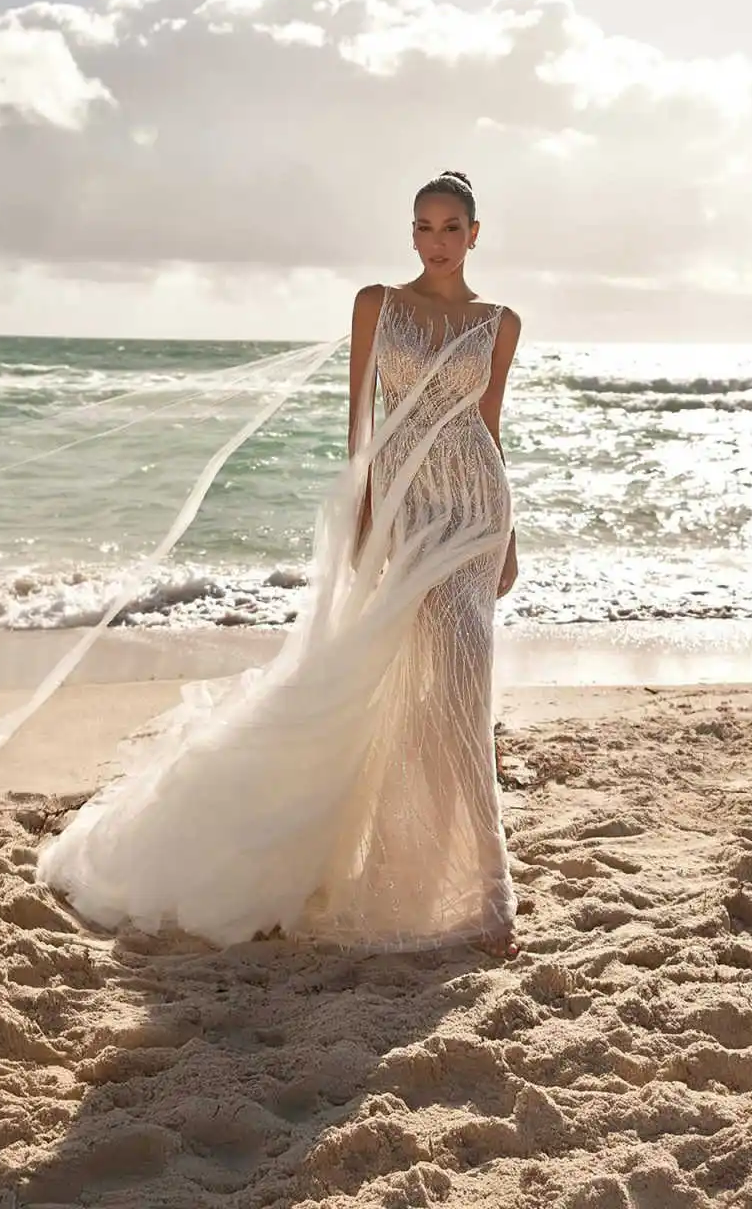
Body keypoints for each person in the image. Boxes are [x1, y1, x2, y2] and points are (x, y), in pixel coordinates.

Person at [35, 170, 523, 959]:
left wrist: (512, 533)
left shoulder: (501, 323)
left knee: (462, 690)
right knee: (389, 683)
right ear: (411, 234)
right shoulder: (378, 304)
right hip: (406, 509)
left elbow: (488, 426)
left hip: (475, 512)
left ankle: (486, 889)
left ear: (475, 234)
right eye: (423, 227)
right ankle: (424, 871)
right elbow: (358, 424)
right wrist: (367, 518)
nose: (436, 242)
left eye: (450, 228)